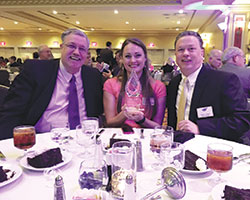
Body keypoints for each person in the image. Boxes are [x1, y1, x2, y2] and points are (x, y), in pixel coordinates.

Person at [0, 28, 103, 140]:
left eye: (82, 49)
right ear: (61, 47)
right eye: (72, 46)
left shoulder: (93, 76)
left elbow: (96, 112)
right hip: (43, 140)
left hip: (83, 140)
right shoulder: (36, 70)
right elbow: (12, 111)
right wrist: (7, 146)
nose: (76, 52)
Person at [167, 31, 249, 142]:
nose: (186, 53)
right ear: (176, 54)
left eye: (191, 49)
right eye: (180, 50)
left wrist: (201, 128)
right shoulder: (174, 84)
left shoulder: (224, 80)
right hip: (178, 148)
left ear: (202, 52)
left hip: (212, 149)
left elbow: (242, 120)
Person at [103, 38, 166, 128]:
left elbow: (157, 126)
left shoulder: (158, 86)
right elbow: (110, 122)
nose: (133, 60)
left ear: (145, 58)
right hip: (119, 137)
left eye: (138, 55)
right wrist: (123, 115)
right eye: (128, 56)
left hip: (146, 138)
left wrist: (141, 119)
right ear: (121, 59)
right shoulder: (110, 84)